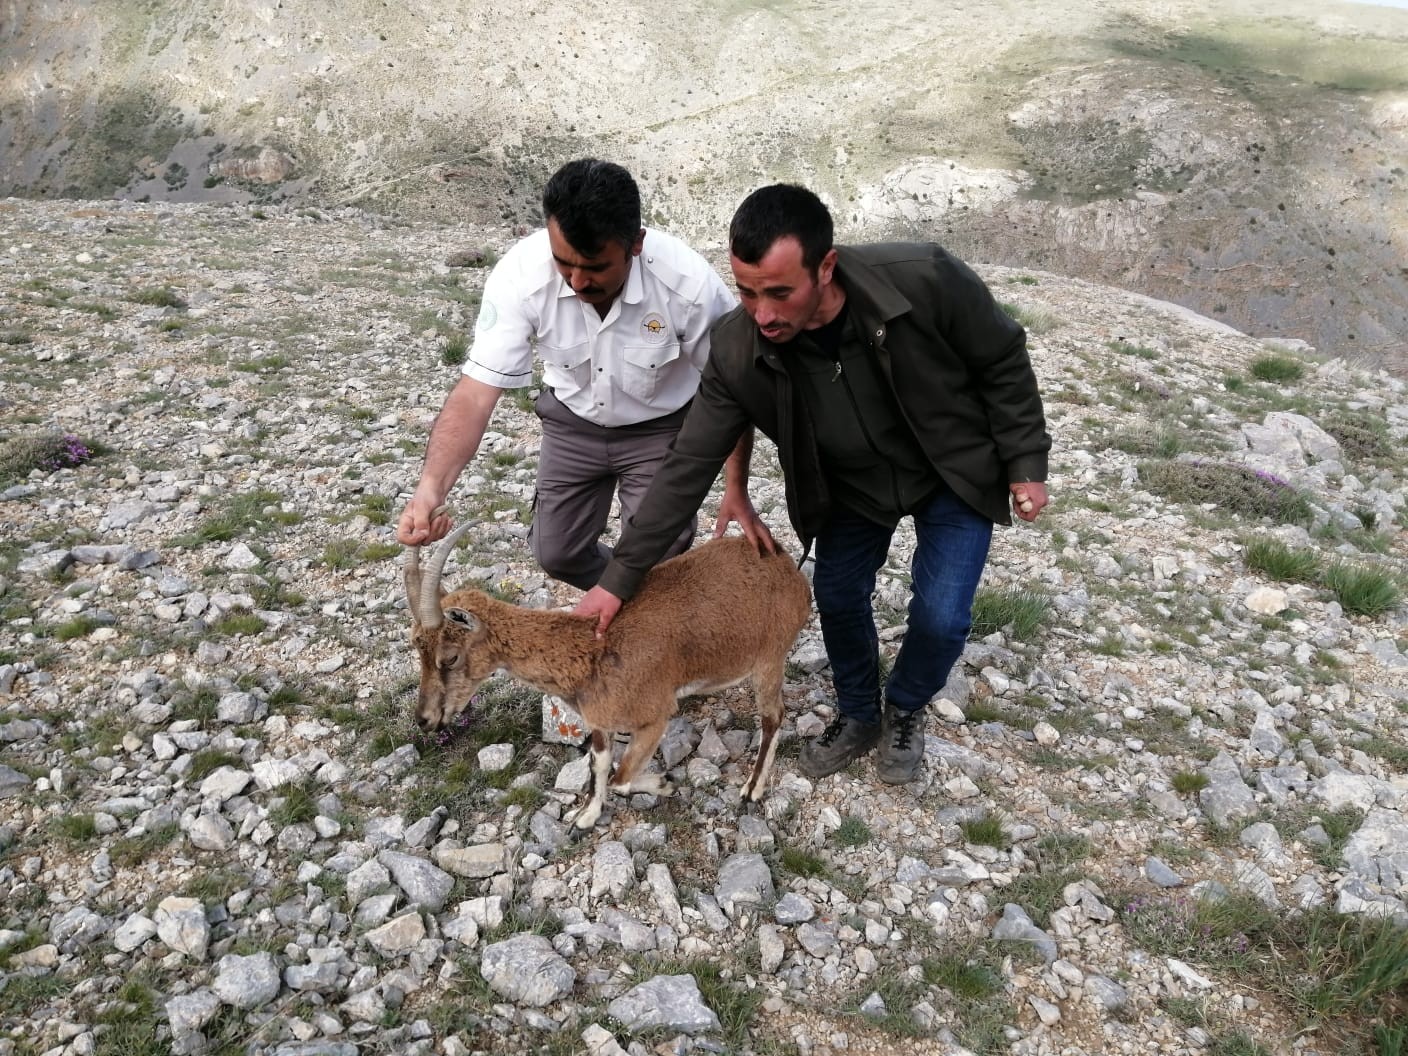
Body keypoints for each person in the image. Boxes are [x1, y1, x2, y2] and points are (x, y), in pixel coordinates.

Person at [574, 183, 1051, 785]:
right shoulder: (737, 349)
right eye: (746, 292)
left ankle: (904, 706)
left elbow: (1002, 358)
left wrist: (1025, 461)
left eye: (779, 293)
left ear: (825, 267)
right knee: (839, 596)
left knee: (943, 616)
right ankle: (857, 713)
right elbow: (686, 467)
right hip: (848, 487)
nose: (762, 313)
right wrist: (618, 581)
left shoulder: (924, 278)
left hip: (951, 471)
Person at [397, 158, 764, 588]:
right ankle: (633, 600)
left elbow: (732, 389)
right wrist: (431, 489)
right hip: (572, 422)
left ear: (636, 244)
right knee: (557, 553)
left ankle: (635, 622)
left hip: (662, 428)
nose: (577, 281)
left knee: (657, 554)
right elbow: (476, 394)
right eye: (563, 263)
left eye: (595, 268)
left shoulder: (690, 287)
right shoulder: (521, 276)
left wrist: (735, 486)